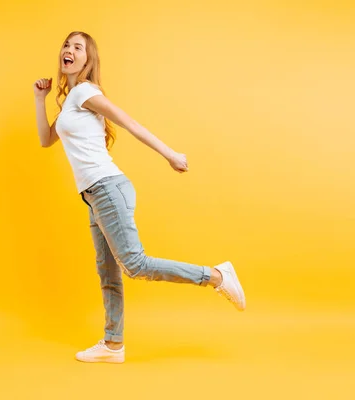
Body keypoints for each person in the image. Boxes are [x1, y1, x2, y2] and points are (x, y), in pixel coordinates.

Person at [33, 31, 246, 364]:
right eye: (66, 45)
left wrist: (170, 153)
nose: (69, 50)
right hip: (93, 194)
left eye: (78, 47)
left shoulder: (86, 91)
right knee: (108, 271)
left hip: (107, 188)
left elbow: (128, 122)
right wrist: (39, 99)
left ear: (88, 61)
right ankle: (112, 344)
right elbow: (46, 139)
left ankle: (216, 276)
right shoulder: (71, 101)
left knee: (134, 265)